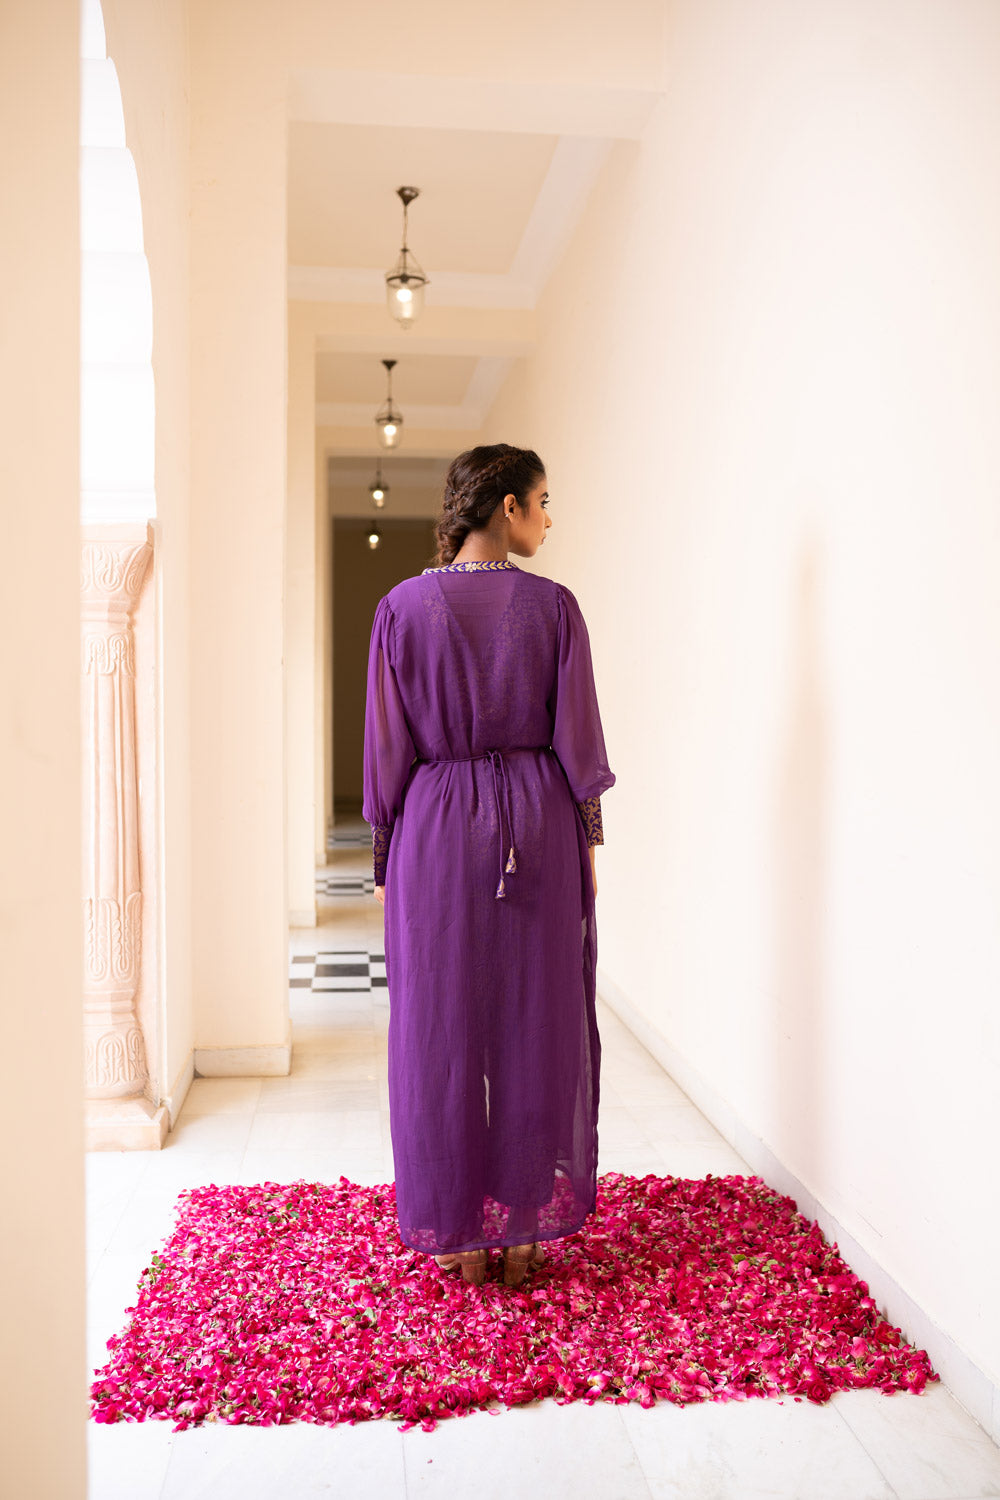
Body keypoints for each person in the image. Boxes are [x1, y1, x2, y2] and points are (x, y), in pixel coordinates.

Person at [361, 443, 615, 1288]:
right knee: (532, 1021)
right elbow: (578, 744)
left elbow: (387, 756)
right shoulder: (554, 608)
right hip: (534, 826)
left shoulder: (400, 609)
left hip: (434, 829)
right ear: (506, 506)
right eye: (543, 500)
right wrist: (586, 849)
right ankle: (528, 1224)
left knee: (440, 1025)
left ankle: (457, 1227)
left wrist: (386, 856)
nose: (549, 517)